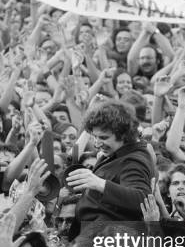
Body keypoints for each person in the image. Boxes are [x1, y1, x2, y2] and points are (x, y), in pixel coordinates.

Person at [66, 101, 154, 239]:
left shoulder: (133, 160)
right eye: (95, 136)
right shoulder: (115, 154)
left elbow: (142, 199)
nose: (97, 143)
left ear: (124, 135)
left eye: (104, 137)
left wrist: (99, 183)